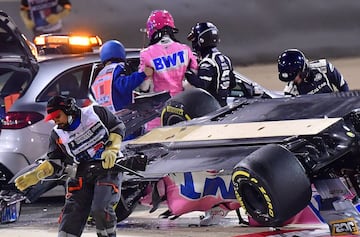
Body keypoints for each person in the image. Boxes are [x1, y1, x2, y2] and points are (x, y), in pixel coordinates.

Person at [15, 95, 125, 237]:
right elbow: (54, 161)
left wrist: (112, 149)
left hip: (108, 168)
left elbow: (117, 127)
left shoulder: (95, 113)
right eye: (53, 118)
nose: (55, 121)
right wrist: (36, 174)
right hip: (82, 172)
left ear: (69, 110)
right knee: (72, 212)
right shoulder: (57, 134)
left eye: (58, 116)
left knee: (100, 209)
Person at [138, 9, 198, 130]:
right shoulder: (185, 50)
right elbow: (194, 81)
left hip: (157, 118)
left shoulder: (146, 54)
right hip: (182, 114)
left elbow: (144, 87)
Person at [91, 39, 153, 113]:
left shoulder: (100, 75)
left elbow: (112, 91)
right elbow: (123, 85)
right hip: (123, 115)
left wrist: (131, 94)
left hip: (110, 116)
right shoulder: (116, 68)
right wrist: (143, 74)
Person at [185, 22, 236, 107]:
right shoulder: (226, 59)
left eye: (194, 39)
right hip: (224, 105)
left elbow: (201, 85)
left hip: (211, 108)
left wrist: (186, 71)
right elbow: (233, 83)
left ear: (200, 40)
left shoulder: (208, 62)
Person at [277, 48, 349, 96]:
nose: (293, 81)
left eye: (295, 76)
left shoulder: (323, 66)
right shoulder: (290, 92)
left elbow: (343, 86)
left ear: (303, 70)